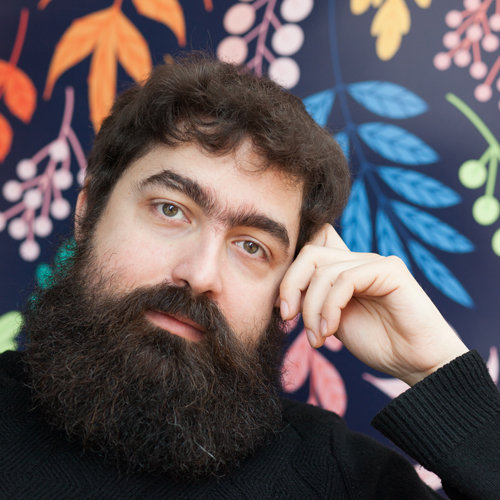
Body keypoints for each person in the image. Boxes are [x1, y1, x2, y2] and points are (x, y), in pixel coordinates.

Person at [0, 53, 499, 500]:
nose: (200, 274)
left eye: (252, 246)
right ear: (88, 213)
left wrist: (434, 370)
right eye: (171, 209)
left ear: (291, 283)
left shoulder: (343, 479)